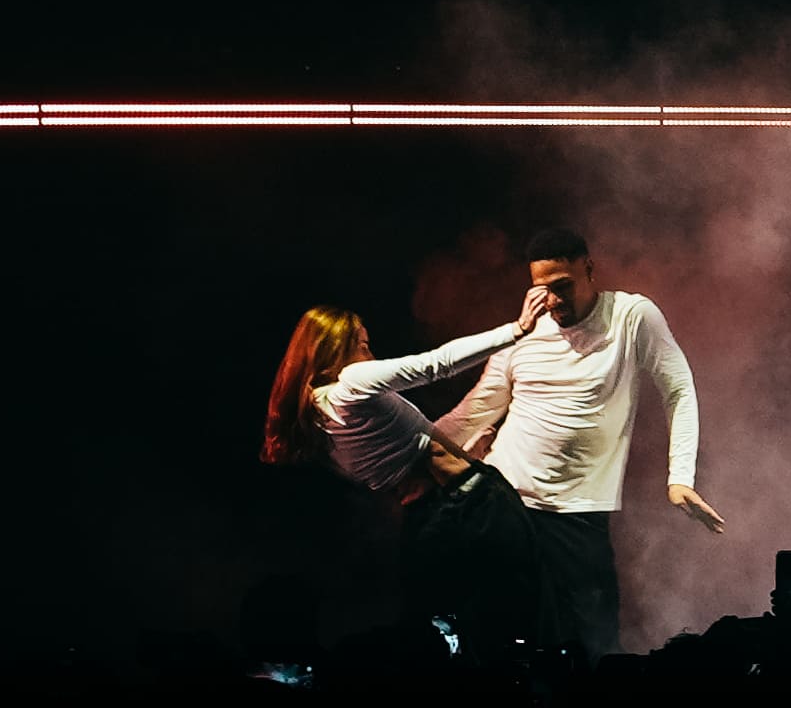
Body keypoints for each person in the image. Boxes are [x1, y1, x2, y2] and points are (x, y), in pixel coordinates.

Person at [345, 225, 720, 658]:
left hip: (578, 511)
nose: (553, 301)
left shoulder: (631, 316)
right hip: (506, 503)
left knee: (594, 642)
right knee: (496, 634)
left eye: (563, 286)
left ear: (589, 270)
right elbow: (475, 412)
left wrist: (680, 477)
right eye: (543, 290)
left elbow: (678, 387)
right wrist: (411, 463)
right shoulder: (523, 336)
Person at [259, 304, 540, 645]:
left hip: (425, 520)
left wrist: (463, 450)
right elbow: (437, 364)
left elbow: (408, 458)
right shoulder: (352, 384)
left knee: (455, 631)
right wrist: (516, 330)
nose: (371, 355)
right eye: (363, 346)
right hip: (477, 502)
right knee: (520, 615)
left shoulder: (319, 427)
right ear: (335, 351)